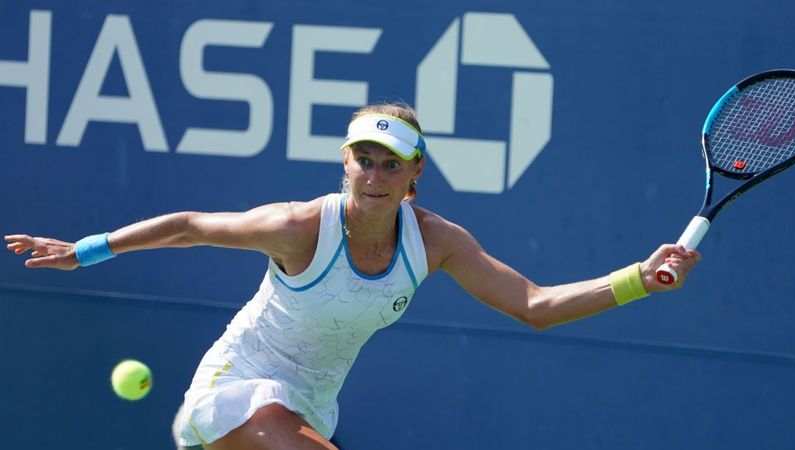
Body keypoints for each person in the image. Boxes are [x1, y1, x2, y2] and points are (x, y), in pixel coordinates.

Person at [4, 102, 700, 450]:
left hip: (314, 411)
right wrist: (85, 249)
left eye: (390, 163)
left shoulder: (438, 241)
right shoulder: (297, 225)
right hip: (235, 395)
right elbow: (189, 223)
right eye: (362, 159)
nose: (374, 175)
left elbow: (536, 304)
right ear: (345, 163)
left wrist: (639, 277)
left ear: (415, 174)